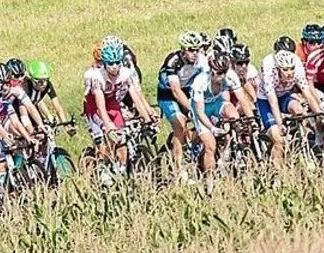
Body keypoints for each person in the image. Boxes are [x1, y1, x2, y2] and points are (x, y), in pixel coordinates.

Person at [84, 43, 155, 175]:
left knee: (122, 141)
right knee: (110, 137)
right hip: (95, 106)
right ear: (104, 64)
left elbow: (135, 97)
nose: (114, 66)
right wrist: (108, 125)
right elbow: (100, 106)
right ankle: (104, 168)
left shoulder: (125, 73)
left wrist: (147, 119)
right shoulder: (97, 77)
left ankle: (121, 171)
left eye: (117, 62)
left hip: (112, 103)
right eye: (111, 63)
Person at [257, 50, 324, 164]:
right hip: (265, 100)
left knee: (299, 110)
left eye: (291, 68)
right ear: (278, 69)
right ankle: (277, 170)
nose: (290, 73)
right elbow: (273, 101)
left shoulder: (297, 69)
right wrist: (280, 124)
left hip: (284, 95)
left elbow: (307, 94)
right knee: (278, 139)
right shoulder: (270, 72)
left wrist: (319, 114)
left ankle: (300, 136)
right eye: (285, 69)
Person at [156, 31, 208, 168]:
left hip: (187, 90)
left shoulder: (202, 60)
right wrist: (192, 109)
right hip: (168, 93)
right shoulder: (173, 61)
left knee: (205, 118)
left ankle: (191, 140)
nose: (195, 53)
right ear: (183, 49)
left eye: (197, 49)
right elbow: (176, 91)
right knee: (179, 124)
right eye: (191, 50)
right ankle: (179, 168)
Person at [189, 52, 240, 175]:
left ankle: (226, 152)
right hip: (200, 108)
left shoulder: (230, 76)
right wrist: (212, 128)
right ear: (211, 71)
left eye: (225, 72)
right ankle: (210, 179)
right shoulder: (200, 81)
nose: (222, 76)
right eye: (219, 73)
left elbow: (241, 98)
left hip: (216, 103)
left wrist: (250, 119)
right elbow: (200, 112)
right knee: (210, 146)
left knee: (234, 116)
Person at [23, 60, 75, 135]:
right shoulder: (25, 88)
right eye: (40, 82)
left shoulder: (47, 85)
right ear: (33, 80)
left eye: (46, 80)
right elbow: (28, 108)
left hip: (34, 109)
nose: (44, 84)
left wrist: (66, 125)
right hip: (22, 111)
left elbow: (57, 106)